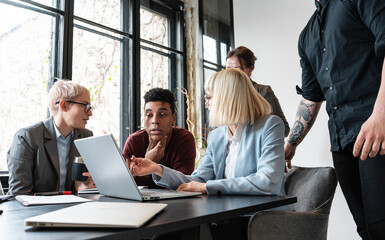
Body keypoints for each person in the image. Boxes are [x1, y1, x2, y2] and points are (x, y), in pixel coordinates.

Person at [129, 69, 287, 239]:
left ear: (227, 98)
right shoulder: (217, 136)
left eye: (209, 97)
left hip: (260, 219)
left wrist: (207, 187)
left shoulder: (270, 125)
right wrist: (157, 169)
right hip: (225, 218)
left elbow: (268, 181)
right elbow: (197, 180)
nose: (207, 103)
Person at [284, 1, 385, 239]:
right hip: (342, 141)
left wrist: (380, 115)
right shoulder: (306, 36)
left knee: (381, 226)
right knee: (366, 228)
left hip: (376, 131)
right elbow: (311, 96)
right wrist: (291, 143)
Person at [7, 80, 94, 196]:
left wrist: (85, 186)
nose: (90, 113)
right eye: (85, 106)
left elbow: (81, 187)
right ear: (63, 105)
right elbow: (19, 195)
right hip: (37, 211)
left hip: (73, 209)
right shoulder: (26, 137)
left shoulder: (86, 137)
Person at [122, 88, 196, 189]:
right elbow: (123, 185)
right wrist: (148, 163)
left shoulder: (183, 139)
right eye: (149, 115)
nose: (155, 121)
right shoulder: (134, 141)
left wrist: (152, 167)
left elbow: (183, 185)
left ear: (173, 118)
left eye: (162, 115)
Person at [226, 46, 290, 136]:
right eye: (228, 69)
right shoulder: (223, 95)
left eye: (237, 69)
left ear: (250, 69)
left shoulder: (263, 92)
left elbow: (284, 129)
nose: (232, 74)